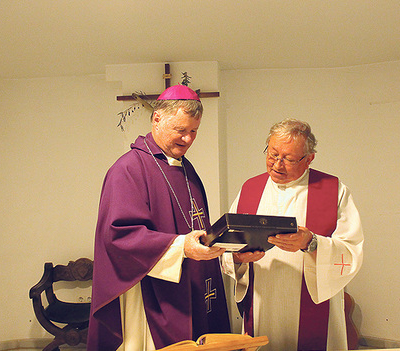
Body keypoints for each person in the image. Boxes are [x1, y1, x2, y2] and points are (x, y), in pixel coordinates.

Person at [88, 85, 231, 351]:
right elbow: (119, 236)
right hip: (148, 292)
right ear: (157, 119)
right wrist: (181, 247)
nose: (188, 139)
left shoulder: (186, 169)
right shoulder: (128, 169)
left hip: (189, 282)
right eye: (181, 130)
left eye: (193, 131)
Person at [221, 118, 363, 351]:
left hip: (314, 304)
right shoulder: (250, 189)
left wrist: (312, 242)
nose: (278, 165)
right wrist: (236, 258)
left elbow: (351, 249)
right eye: (273, 154)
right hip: (262, 301)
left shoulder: (333, 190)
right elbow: (228, 244)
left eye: (288, 158)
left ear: (309, 159)